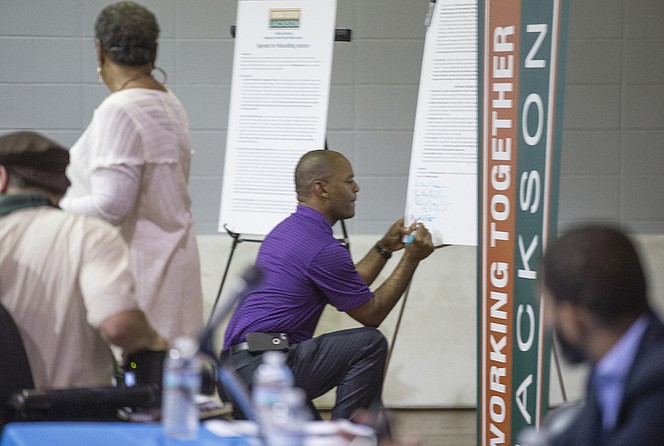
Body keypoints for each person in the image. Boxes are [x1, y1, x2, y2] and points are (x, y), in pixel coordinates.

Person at [221, 149, 435, 420]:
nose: (356, 188)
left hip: (239, 371)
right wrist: (412, 259)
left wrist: (384, 248)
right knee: (369, 343)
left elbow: (349, 284)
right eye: (348, 181)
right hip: (262, 369)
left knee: (309, 435)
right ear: (321, 188)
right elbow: (371, 314)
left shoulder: (290, 230)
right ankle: (346, 437)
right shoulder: (321, 247)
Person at [60, 1, 203, 343]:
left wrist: (50, 209)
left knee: (143, 380)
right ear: (154, 51)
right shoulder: (169, 101)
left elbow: (111, 206)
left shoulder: (120, 109)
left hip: (138, 271)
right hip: (172, 260)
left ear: (100, 51)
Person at [0, 131, 167, 389]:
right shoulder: (89, 234)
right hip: (66, 418)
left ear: (1, 177)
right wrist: (153, 340)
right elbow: (120, 327)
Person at [539, 224, 664, 445]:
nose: (547, 321)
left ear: (572, 316)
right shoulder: (610, 370)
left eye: (549, 307)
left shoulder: (660, 380)